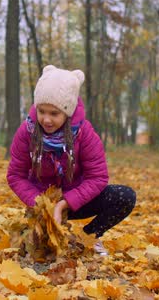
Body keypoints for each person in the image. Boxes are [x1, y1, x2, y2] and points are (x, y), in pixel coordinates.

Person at [7, 65, 136, 256]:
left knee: (124, 196)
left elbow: (98, 177)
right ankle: (51, 231)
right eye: (41, 111)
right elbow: (15, 175)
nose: (46, 120)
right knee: (41, 251)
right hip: (42, 201)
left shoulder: (85, 134)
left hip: (77, 199)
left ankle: (89, 237)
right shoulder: (27, 132)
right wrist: (41, 204)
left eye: (54, 114)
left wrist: (64, 204)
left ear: (67, 112)